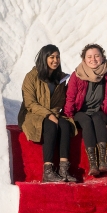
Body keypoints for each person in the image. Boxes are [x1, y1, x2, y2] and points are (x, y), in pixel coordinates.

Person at [18, 44, 76, 183]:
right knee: (50, 124)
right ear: (44, 58)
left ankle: (63, 170)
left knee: (65, 124)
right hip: (31, 114)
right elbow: (30, 103)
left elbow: (59, 102)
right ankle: (48, 170)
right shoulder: (31, 76)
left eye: (57, 57)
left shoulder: (60, 79)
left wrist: (54, 113)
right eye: (52, 57)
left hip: (52, 114)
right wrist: (49, 115)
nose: (55, 60)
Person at [65, 43, 107, 177]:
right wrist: (68, 117)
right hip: (80, 113)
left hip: (99, 111)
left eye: (97, 56)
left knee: (97, 118)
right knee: (86, 120)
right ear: (84, 59)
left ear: (102, 57)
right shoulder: (77, 75)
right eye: (89, 57)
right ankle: (93, 164)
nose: (93, 59)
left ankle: (103, 160)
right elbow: (70, 97)